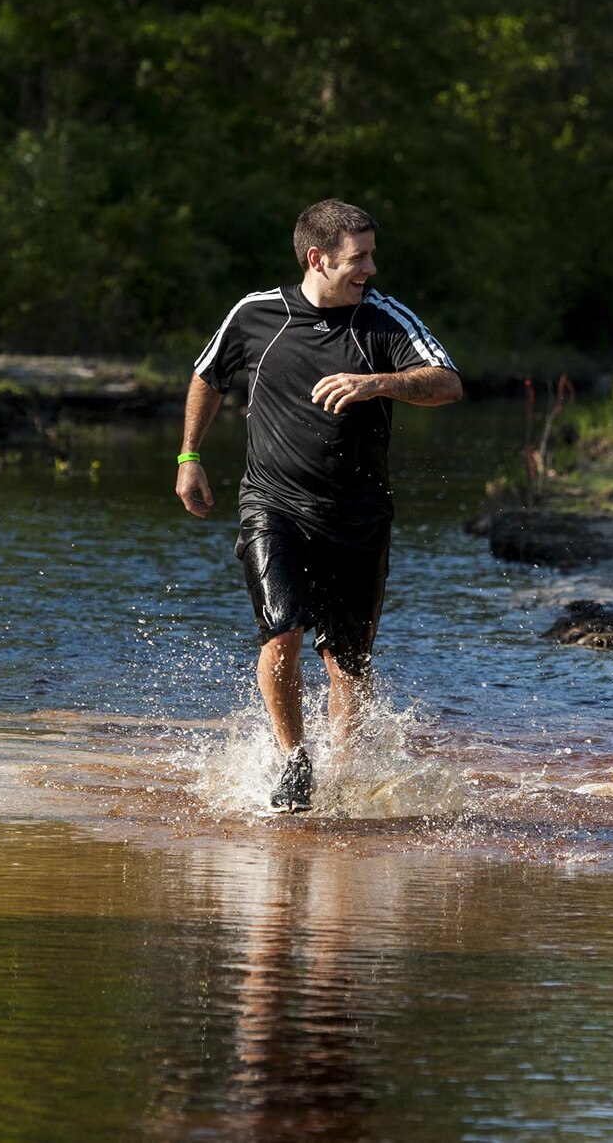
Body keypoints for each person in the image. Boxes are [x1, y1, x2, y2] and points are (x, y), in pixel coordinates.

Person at [176, 199, 462, 812]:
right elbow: (208, 376)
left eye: (371, 255)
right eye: (359, 259)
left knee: (346, 665)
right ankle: (293, 759)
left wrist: (377, 383)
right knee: (283, 632)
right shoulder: (257, 315)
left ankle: (342, 778)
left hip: (359, 516)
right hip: (272, 505)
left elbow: (448, 382)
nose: (371, 269)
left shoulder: (385, 320)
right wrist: (189, 456)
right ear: (318, 258)